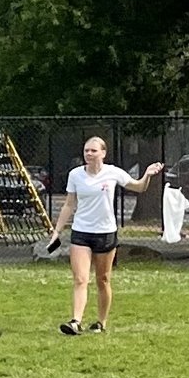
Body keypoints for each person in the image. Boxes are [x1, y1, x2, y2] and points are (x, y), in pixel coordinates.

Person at [54, 138, 163, 333]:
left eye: (93, 151)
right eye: (86, 150)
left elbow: (139, 187)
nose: (88, 154)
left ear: (103, 153)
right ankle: (75, 321)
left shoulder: (113, 172)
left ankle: (101, 323)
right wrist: (57, 230)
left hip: (105, 233)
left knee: (103, 280)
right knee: (80, 279)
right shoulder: (76, 175)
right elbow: (69, 204)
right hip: (81, 232)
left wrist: (147, 175)